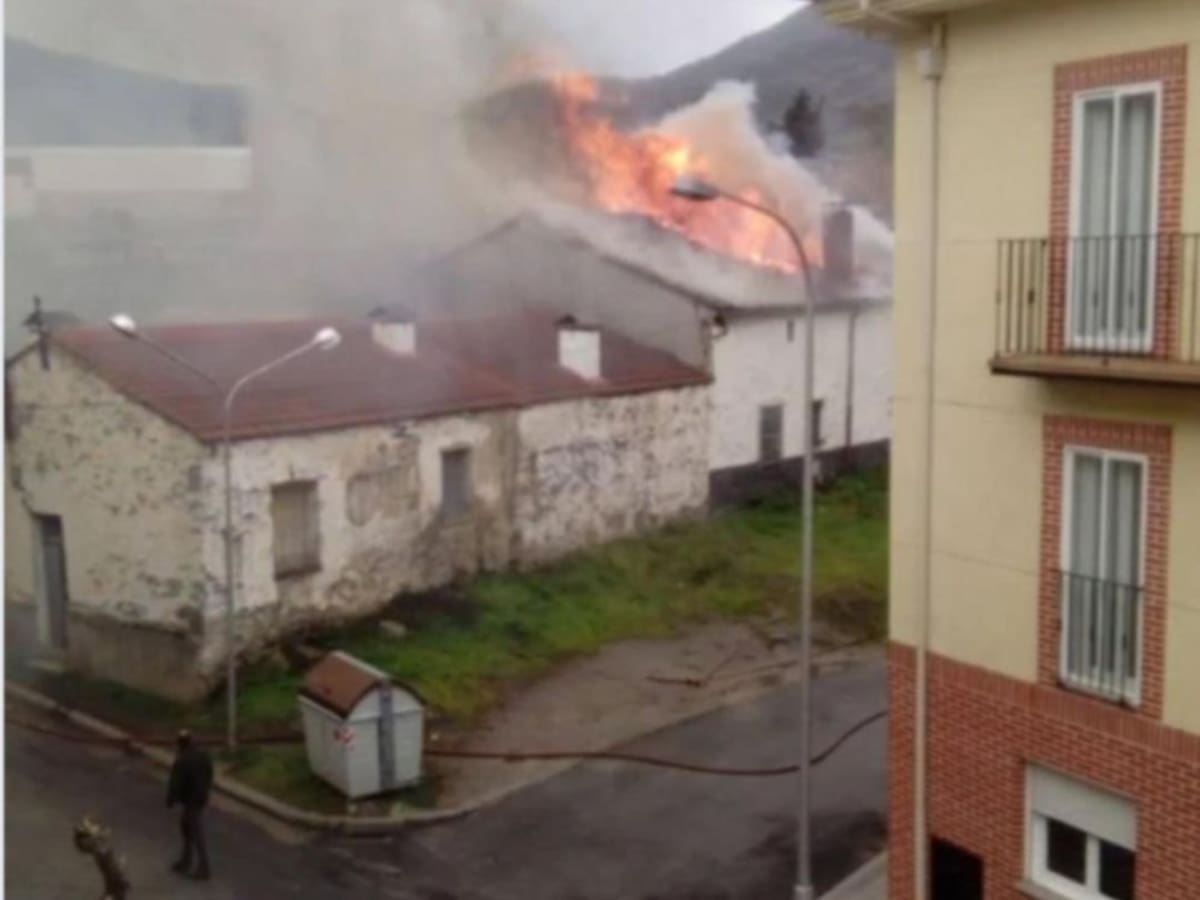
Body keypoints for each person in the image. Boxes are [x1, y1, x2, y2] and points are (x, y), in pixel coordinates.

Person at [166, 730, 213, 880]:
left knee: (195, 832)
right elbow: (209, 774)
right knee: (186, 828)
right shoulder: (203, 756)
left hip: (190, 800)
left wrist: (170, 800)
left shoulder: (182, 760)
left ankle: (203, 867)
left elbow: (176, 782)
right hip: (200, 798)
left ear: (180, 744)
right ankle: (186, 860)